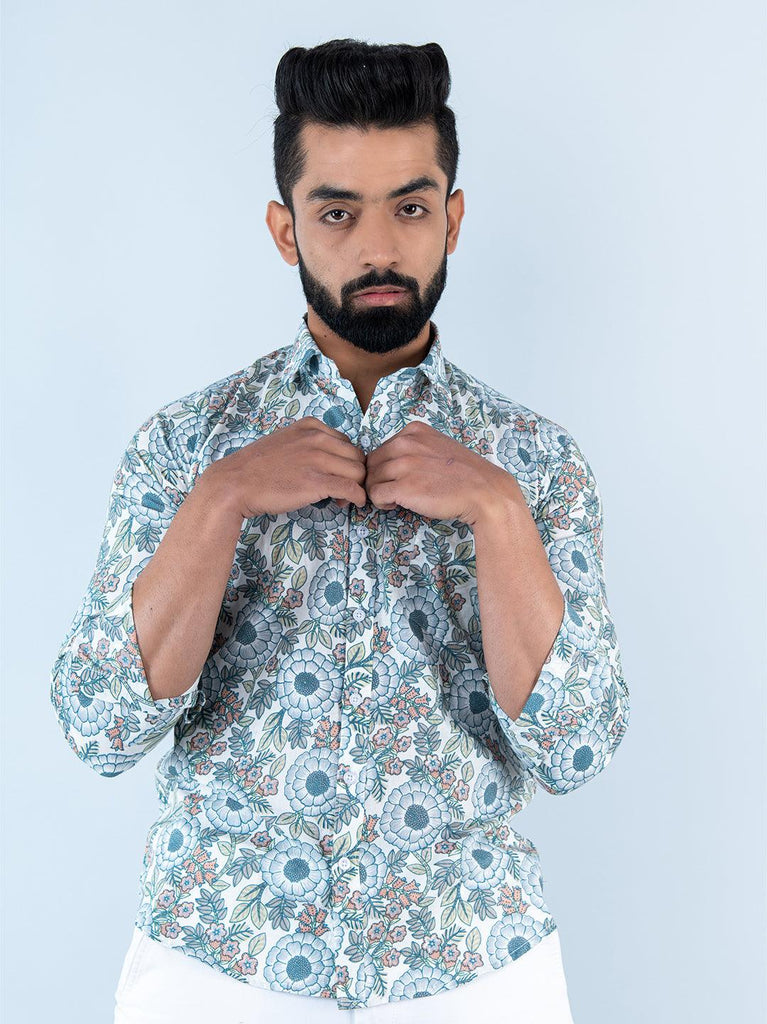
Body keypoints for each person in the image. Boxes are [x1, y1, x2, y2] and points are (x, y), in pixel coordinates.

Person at [50, 38, 630, 1024]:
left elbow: (574, 750)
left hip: (469, 964)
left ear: (451, 218)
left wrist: (495, 513)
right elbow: (99, 727)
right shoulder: (188, 446)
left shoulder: (532, 464)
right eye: (336, 212)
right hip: (219, 961)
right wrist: (220, 502)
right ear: (285, 230)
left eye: (410, 208)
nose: (378, 249)